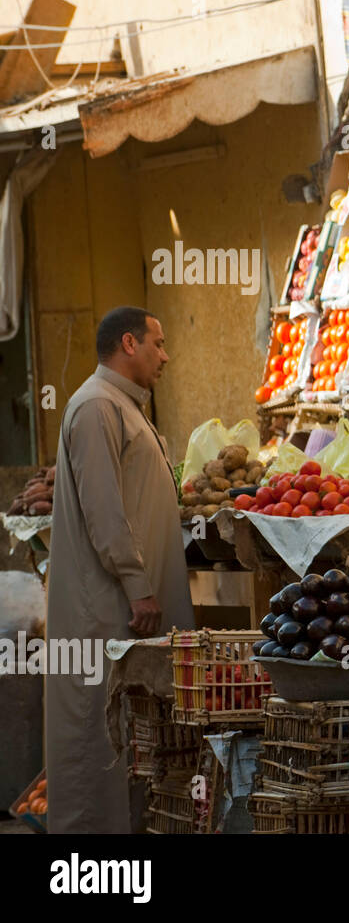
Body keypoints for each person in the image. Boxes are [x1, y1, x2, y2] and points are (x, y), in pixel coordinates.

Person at [46, 307, 195, 833]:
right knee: (97, 740)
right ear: (129, 344)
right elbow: (105, 513)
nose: (166, 355)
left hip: (129, 612)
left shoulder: (124, 406)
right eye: (159, 342)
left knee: (129, 742)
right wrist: (138, 588)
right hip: (108, 612)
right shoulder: (95, 408)